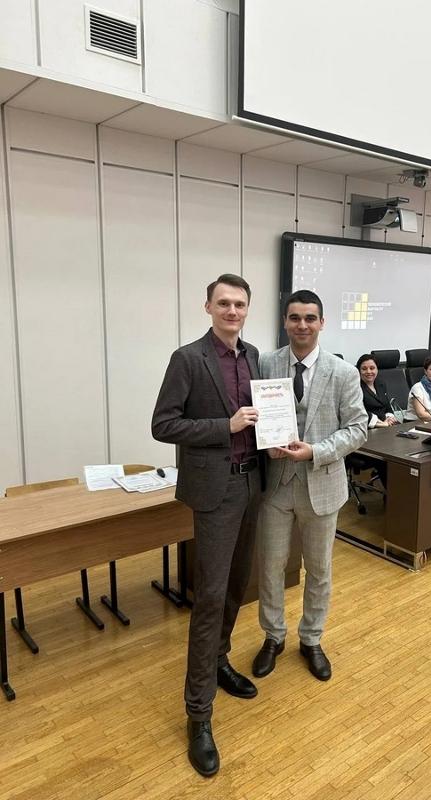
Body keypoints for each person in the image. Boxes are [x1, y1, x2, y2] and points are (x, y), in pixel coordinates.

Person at [152, 274, 261, 779]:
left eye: (239, 304)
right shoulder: (188, 359)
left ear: (247, 309)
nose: (232, 311)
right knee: (211, 598)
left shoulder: (253, 356)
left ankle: (219, 662)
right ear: (208, 307)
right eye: (224, 303)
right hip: (215, 493)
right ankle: (198, 715)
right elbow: (164, 424)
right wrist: (226, 426)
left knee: (237, 588)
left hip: (253, 484)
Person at [251, 290, 368, 682]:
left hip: (322, 484)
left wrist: (316, 451)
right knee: (270, 566)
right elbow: (256, 416)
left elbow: (358, 429)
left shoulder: (343, 372)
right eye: (295, 317)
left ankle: (312, 638)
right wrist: (265, 443)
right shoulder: (266, 364)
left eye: (310, 318)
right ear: (285, 322)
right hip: (275, 485)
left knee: (318, 569)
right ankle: (273, 635)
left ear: (321, 323)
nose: (302, 325)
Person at [356, 353, 399, 428]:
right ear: (359, 371)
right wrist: (382, 424)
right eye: (364, 369)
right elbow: (359, 412)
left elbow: (387, 406)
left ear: (377, 369)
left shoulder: (381, 383)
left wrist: (389, 418)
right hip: (367, 427)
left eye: (372, 368)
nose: (368, 371)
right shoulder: (355, 387)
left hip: (386, 424)